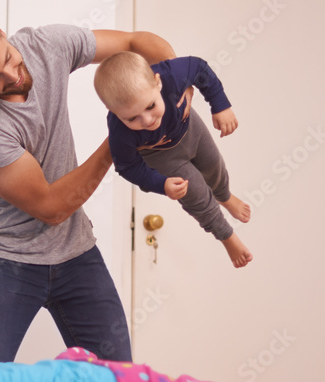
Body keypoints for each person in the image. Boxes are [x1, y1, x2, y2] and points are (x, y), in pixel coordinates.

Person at [0, 11, 184, 363]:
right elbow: (51, 208)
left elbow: (134, 41)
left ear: (2, 34)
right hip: (8, 260)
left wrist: (175, 84)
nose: (13, 75)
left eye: (7, 58)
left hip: (76, 252)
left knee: (118, 381)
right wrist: (121, 139)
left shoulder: (46, 45)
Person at [93, 51, 252, 268]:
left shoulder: (170, 76)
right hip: (160, 155)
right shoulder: (120, 132)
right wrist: (161, 184)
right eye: (132, 118)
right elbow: (127, 166)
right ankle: (227, 236)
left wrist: (220, 105)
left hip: (190, 129)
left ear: (157, 83)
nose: (147, 120)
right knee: (195, 193)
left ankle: (224, 196)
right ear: (112, 111)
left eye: (150, 106)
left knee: (214, 165)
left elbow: (198, 67)